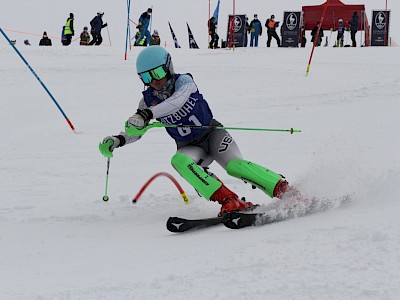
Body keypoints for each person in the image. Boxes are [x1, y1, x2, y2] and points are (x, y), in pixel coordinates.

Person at [99, 46, 291, 217]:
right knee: (178, 161)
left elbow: (177, 102)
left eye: (157, 73)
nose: (154, 81)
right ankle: (229, 200)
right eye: (146, 77)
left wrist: (146, 114)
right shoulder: (147, 102)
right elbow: (138, 130)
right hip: (190, 146)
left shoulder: (184, 82)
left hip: (213, 135)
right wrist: (118, 140)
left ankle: (283, 189)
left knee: (235, 166)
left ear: (168, 67)